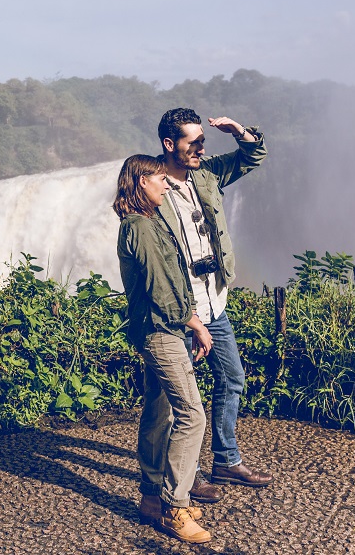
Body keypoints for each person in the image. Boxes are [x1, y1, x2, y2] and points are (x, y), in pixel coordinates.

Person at [155, 107, 273, 496]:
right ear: (170, 144)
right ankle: (182, 477)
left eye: (204, 141)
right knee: (177, 403)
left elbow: (252, 156)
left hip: (213, 304)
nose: (201, 149)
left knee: (232, 378)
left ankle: (226, 461)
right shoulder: (151, 187)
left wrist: (240, 131)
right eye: (194, 142)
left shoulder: (205, 175)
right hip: (180, 311)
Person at [114, 154, 214, 544]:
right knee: (192, 415)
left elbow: (172, 282)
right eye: (159, 178)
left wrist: (185, 321)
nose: (167, 183)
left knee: (159, 412)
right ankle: (176, 506)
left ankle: (152, 498)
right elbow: (161, 287)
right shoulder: (139, 227)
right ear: (141, 182)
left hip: (161, 329)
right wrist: (196, 324)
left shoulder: (149, 222)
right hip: (160, 332)